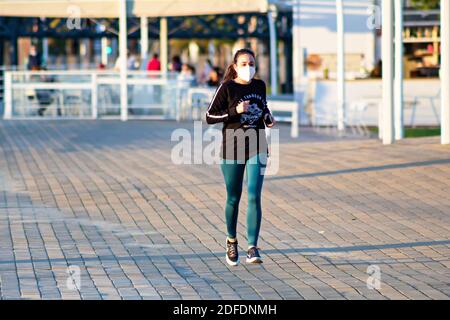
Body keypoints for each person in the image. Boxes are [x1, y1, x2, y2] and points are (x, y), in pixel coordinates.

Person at [205, 48, 276, 266]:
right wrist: (235, 111)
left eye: (252, 63)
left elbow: (262, 107)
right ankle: (231, 240)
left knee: (254, 194)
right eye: (244, 64)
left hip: (257, 145)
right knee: (233, 197)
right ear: (235, 67)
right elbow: (209, 116)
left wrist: (267, 116)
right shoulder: (227, 87)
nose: (249, 67)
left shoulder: (259, 85)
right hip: (232, 147)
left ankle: (252, 247)